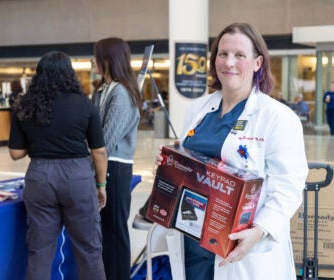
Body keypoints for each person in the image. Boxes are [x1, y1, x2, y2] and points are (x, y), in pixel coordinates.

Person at [155, 22, 308, 280]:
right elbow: (189, 165)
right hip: (192, 238)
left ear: (258, 63)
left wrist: (259, 231)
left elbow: (289, 186)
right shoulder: (198, 109)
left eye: (240, 55)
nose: (229, 63)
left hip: (243, 246)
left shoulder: (277, 118)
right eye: (223, 54)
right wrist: (169, 164)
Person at [8, 51, 107, 280]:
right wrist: (101, 185)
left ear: (39, 74)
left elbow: (15, 153)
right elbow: (99, 152)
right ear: (69, 74)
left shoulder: (25, 106)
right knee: (89, 249)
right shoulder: (85, 104)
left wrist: (38, 141)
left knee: (40, 251)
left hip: (40, 176)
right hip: (78, 177)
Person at [92, 37, 142, 280]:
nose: (93, 61)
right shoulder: (103, 89)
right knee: (105, 233)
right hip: (103, 165)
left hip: (115, 168)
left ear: (108, 60)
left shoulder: (121, 92)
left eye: (97, 56)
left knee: (115, 232)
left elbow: (106, 140)